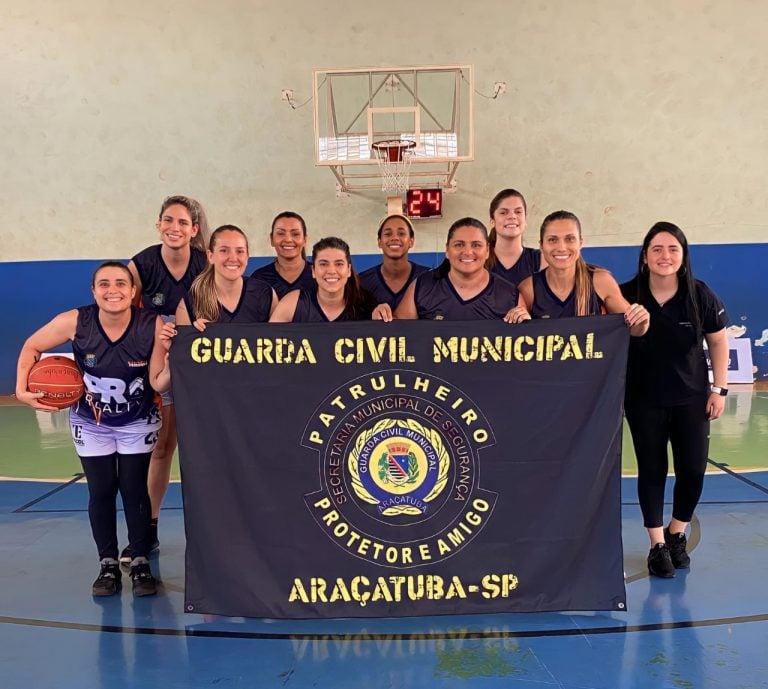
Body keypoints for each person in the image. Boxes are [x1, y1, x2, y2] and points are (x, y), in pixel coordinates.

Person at [15, 262, 171, 597]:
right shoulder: (76, 321)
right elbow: (31, 345)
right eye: (104, 284)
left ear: (133, 292)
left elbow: (158, 380)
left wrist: (173, 361)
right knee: (101, 491)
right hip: (91, 421)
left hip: (136, 420)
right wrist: (21, 389)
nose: (112, 290)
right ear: (93, 291)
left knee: (133, 490)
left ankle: (140, 561)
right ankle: (107, 564)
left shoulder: (152, 325)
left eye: (120, 283)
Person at [620, 222, 729, 578]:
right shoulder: (627, 294)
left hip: (692, 400)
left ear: (683, 256)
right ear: (645, 255)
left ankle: (676, 533)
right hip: (643, 400)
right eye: (657, 249)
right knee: (652, 470)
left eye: (672, 249)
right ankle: (656, 545)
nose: (664, 256)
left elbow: (717, 341)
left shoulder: (700, 295)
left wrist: (720, 389)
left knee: (693, 470)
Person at [127, 195, 209, 562]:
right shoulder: (141, 265)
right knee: (161, 449)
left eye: (182, 223)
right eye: (168, 221)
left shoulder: (205, 263)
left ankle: (215, 532)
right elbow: (124, 316)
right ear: (158, 224)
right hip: (155, 366)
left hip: (199, 367)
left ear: (194, 230)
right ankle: (149, 530)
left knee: (207, 453)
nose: (174, 228)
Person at [517, 210, 650, 336]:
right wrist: (517, 320)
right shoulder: (529, 288)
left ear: (580, 243)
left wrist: (642, 321)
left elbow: (634, 329)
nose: (562, 248)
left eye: (569, 239)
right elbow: (514, 337)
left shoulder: (600, 281)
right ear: (541, 245)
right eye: (552, 240)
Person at [374, 217, 530, 323]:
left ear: (488, 251)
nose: (468, 252)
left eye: (476, 245)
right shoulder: (423, 286)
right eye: (459, 245)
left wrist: (528, 326)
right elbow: (396, 335)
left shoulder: (510, 296)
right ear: (447, 250)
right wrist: (381, 318)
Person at [176, 225, 277, 329]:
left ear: (247, 257)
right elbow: (182, 344)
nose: (233, 258)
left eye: (240, 251)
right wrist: (195, 335)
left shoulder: (265, 294)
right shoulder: (189, 303)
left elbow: (279, 339)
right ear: (210, 256)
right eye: (224, 250)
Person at [270, 237, 375, 322]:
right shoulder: (293, 303)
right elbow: (267, 342)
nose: (331, 271)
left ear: (348, 270)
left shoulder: (366, 305)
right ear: (313, 271)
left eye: (339, 264)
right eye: (323, 264)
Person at [358, 214, 429, 310]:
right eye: (387, 234)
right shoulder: (361, 283)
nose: (394, 238)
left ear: (411, 241)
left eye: (401, 233)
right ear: (379, 242)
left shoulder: (429, 279)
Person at [487, 188, 545, 286]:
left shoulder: (540, 258)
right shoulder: (480, 258)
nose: (512, 216)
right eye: (503, 212)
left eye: (518, 212)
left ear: (525, 220)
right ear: (492, 221)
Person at [252, 211, 315, 299]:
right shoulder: (259, 278)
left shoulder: (318, 276)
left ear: (305, 239)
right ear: (272, 239)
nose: (288, 239)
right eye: (281, 233)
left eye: (295, 234)